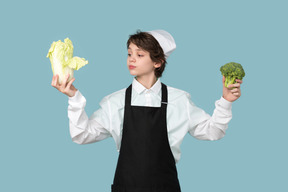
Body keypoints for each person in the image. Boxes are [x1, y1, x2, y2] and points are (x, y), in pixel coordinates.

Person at [51, 30, 243, 192]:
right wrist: (74, 97)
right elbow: (82, 135)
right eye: (129, 54)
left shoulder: (180, 100)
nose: (131, 59)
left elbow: (213, 131)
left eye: (140, 55)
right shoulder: (114, 101)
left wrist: (226, 101)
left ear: (157, 62)